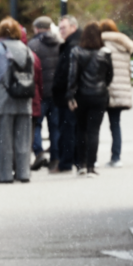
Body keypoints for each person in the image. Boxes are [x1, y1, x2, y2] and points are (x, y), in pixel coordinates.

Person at [0, 18, 36, 184]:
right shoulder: (27, 50)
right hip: (24, 99)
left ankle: (5, 175)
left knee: (3, 141)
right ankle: (23, 172)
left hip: (3, 100)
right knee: (23, 140)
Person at [66, 23, 115, 176]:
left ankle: (81, 164)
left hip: (81, 96)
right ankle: (91, 167)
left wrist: (70, 96)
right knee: (94, 131)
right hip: (99, 96)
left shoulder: (76, 52)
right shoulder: (106, 53)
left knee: (81, 130)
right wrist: (101, 86)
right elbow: (109, 76)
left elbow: (72, 76)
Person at [99, 19, 133, 168]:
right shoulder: (124, 45)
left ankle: (92, 158)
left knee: (95, 125)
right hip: (121, 91)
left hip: (104, 90)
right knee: (115, 125)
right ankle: (116, 157)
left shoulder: (101, 45)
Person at [26, 16, 60, 170]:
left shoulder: (33, 45)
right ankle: (55, 157)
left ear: (37, 28)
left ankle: (39, 152)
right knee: (55, 126)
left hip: (40, 92)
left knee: (36, 125)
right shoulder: (60, 43)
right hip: (56, 92)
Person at [49, 16, 80, 172]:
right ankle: (75, 161)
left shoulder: (72, 46)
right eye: (60, 28)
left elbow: (69, 74)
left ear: (73, 27)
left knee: (67, 130)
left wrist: (68, 95)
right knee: (71, 129)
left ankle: (66, 162)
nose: (61, 31)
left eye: (64, 28)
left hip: (66, 96)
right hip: (69, 94)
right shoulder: (72, 44)